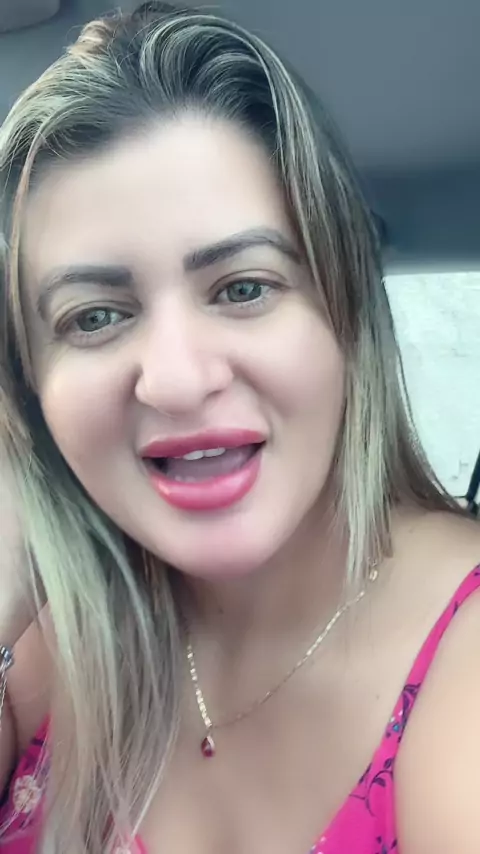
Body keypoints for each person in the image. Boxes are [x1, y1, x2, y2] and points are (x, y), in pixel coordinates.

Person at [0, 2, 479, 852]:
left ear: (346, 317)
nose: (178, 381)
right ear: (32, 386)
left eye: (243, 288)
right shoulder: (51, 642)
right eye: (96, 316)